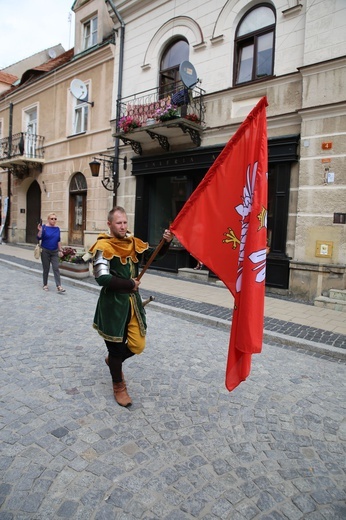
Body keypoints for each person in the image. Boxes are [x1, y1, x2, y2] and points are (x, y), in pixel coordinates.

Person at [88, 206, 174, 407]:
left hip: (132, 305)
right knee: (116, 349)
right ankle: (119, 385)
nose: (123, 226)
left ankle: (113, 362)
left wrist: (166, 242)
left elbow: (154, 255)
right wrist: (129, 284)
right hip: (112, 306)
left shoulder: (133, 243)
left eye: (125, 222)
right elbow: (102, 277)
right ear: (109, 224)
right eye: (119, 223)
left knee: (137, 344)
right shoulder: (103, 246)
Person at [37, 213, 66, 293]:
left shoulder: (57, 229)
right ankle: (45, 284)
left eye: (55, 219)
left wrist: (60, 250)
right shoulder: (44, 227)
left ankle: (59, 286)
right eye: (52, 219)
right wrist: (40, 231)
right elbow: (39, 237)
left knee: (56, 268)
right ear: (48, 219)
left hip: (54, 251)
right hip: (45, 250)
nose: (54, 220)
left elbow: (58, 240)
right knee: (46, 268)